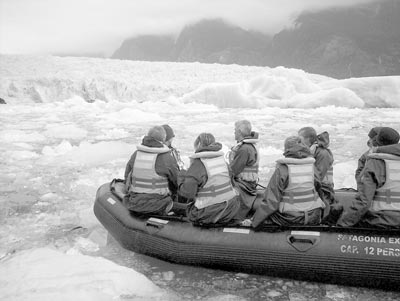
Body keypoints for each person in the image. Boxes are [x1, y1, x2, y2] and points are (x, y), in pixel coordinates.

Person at [242, 136, 326, 228]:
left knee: (267, 216)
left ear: (286, 150)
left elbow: (271, 202)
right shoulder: (312, 167)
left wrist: (254, 221)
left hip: (292, 218)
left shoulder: (282, 169)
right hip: (314, 216)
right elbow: (320, 191)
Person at [337, 127, 400, 229]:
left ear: (376, 141)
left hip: (381, 220)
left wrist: (341, 226)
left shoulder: (375, 162)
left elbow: (363, 201)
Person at [178, 133, 241, 226]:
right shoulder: (222, 161)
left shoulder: (198, 164)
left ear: (198, 145)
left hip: (210, 213)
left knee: (186, 207)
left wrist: (181, 177)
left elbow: (188, 193)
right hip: (231, 208)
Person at [123, 126, 179, 215]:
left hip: (135, 202)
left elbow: (127, 177)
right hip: (160, 204)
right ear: (164, 139)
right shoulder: (167, 158)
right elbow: (177, 181)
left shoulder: (136, 154)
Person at [228, 120, 260, 218]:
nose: (234, 132)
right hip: (249, 183)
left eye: (235, 130)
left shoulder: (244, 149)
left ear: (240, 132)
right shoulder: (249, 146)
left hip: (244, 185)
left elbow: (234, 170)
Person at [298, 127, 335, 205]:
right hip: (315, 189)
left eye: (300, 139)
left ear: (308, 139)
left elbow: (318, 177)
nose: (298, 142)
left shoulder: (323, 153)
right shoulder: (310, 151)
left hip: (324, 191)